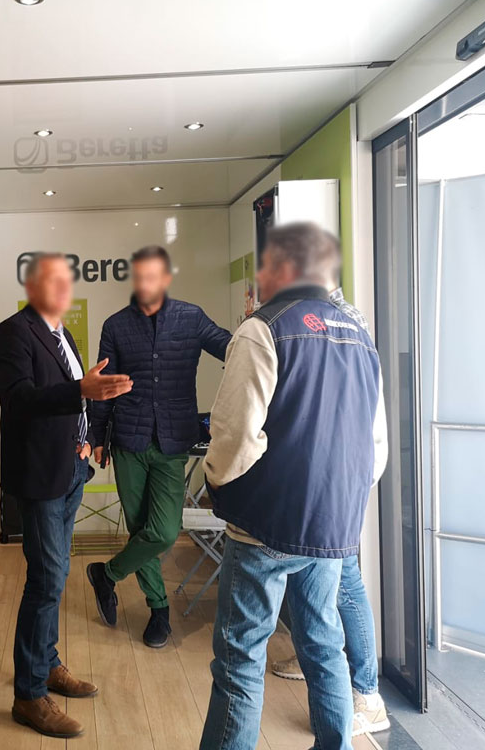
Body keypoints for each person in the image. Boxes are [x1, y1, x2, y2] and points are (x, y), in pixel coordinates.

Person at [198, 222, 388, 750]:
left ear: (283, 268)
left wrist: (217, 485)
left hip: (266, 523)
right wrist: (340, 500)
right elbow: (375, 445)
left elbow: (236, 437)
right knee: (324, 646)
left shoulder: (263, 330)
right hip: (331, 527)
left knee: (240, 658)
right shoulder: (359, 335)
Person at [0, 252, 133, 739]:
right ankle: (29, 696)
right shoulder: (13, 332)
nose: (63, 289)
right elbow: (17, 400)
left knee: (56, 574)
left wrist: (87, 435)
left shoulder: (62, 334)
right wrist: (81, 391)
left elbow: (77, 397)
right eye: (52, 281)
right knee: (46, 579)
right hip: (40, 476)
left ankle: (47, 663)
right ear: (31, 287)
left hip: (71, 469)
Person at [85, 245, 231, 647]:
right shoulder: (116, 326)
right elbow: (104, 388)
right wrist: (97, 437)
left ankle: (106, 574)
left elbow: (230, 347)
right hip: (127, 441)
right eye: (139, 276)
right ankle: (159, 610)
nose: (144, 284)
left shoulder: (191, 317)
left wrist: (265, 336)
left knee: (164, 530)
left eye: (152, 277)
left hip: (172, 442)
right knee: (139, 527)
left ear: (165, 279)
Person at [270, 285, 389, 737]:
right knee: (319, 580)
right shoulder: (313, 315)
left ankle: (367, 695)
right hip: (327, 477)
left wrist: (353, 481)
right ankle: (317, 659)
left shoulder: (343, 321)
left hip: (340, 479)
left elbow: (364, 415)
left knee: (345, 582)